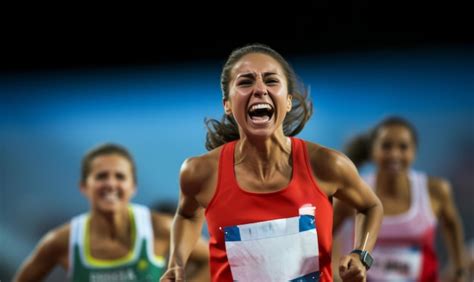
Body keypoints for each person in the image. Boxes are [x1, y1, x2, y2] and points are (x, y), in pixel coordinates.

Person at [160, 43, 383, 282]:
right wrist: (177, 262)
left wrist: (361, 254)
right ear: (227, 104)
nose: (259, 89)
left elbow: (370, 206)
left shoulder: (326, 165)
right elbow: (187, 215)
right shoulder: (200, 172)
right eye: (245, 82)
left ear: (287, 101)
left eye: (271, 80)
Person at [14, 143, 210, 282]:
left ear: (133, 187)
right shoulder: (63, 241)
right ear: (84, 186)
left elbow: (215, 259)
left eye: (120, 176)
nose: (110, 184)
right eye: (101, 176)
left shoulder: (158, 228)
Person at [333, 117, 467, 281]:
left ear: (414, 152)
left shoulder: (435, 191)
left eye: (403, 147)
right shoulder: (354, 193)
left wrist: (460, 270)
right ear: (373, 151)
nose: (394, 154)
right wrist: (332, 273)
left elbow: (452, 225)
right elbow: (324, 237)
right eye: (386, 146)